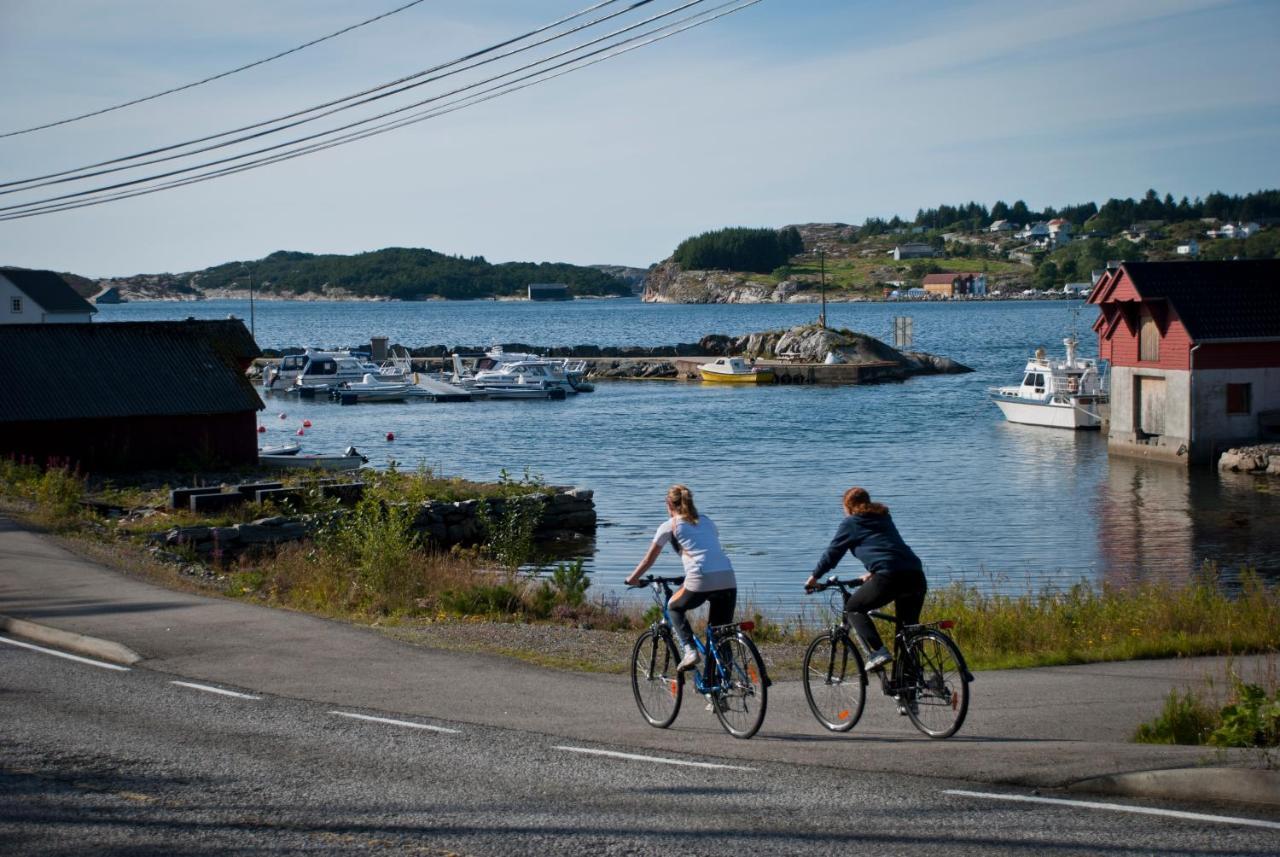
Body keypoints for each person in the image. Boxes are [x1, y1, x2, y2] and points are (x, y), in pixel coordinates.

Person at [804, 487, 926, 672]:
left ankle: (878, 651)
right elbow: (888, 547)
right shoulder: (884, 517)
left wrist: (814, 577)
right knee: (907, 632)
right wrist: (873, 573)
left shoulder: (851, 522)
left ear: (848, 506)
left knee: (853, 607)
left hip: (890, 576)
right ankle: (909, 688)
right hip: (915, 574)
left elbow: (833, 552)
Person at [625, 484, 736, 672]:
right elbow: (707, 548)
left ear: (669, 503)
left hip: (701, 577)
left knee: (672, 607)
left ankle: (690, 650)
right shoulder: (707, 521)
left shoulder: (670, 525)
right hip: (728, 577)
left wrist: (633, 578)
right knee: (719, 635)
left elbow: (648, 559)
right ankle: (718, 692)